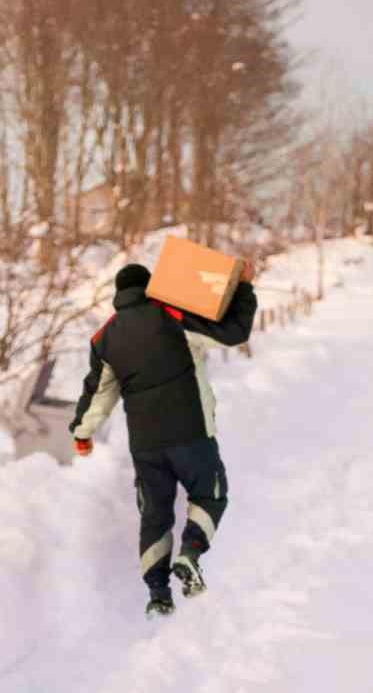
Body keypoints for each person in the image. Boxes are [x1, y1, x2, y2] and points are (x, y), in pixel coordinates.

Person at [69, 260, 257, 618]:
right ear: (151, 287)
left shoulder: (105, 337)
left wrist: (82, 433)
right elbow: (233, 332)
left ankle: (158, 594)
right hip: (191, 432)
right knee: (210, 494)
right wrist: (244, 288)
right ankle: (191, 553)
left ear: (118, 296)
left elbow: (99, 393)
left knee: (155, 514)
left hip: (146, 444)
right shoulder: (172, 313)